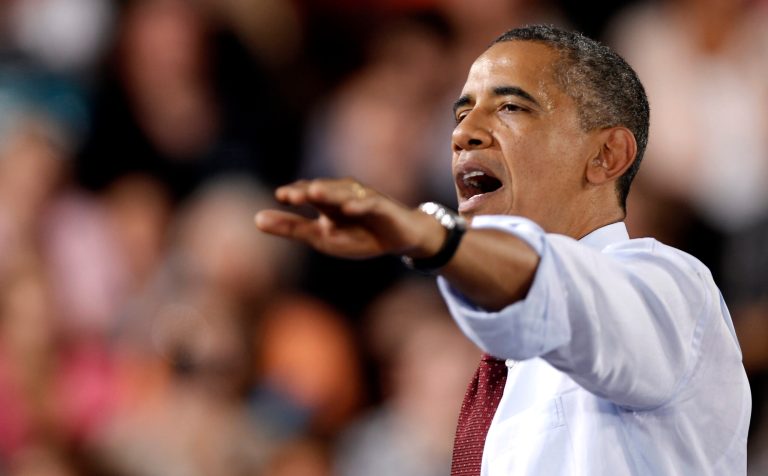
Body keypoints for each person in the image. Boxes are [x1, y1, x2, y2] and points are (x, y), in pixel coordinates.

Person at [255, 24, 751, 475]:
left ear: (606, 155)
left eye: (511, 106)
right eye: (462, 111)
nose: (463, 133)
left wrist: (432, 235)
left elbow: (567, 296)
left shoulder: (673, 291)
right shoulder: (505, 360)